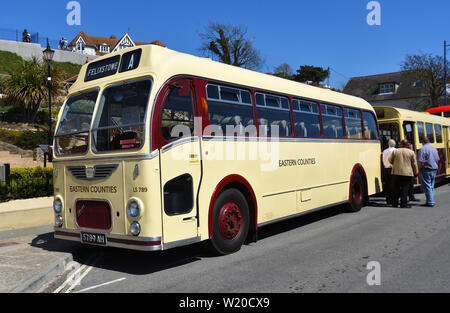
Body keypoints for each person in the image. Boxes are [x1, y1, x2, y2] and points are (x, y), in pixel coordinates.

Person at [388, 139, 418, 208]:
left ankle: (394, 203)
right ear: (407, 145)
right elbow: (414, 164)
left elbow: (390, 160)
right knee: (405, 188)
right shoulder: (411, 152)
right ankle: (403, 203)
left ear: (400, 144)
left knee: (396, 188)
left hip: (396, 172)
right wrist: (416, 173)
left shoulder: (395, 151)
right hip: (407, 173)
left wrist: (395, 164)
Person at [417, 137, 440, 207]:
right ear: (429, 142)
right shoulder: (434, 149)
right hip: (434, 169)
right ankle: (429, 200)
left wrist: (419, 169)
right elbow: (437, 159)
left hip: (426, 169)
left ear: (422, 142)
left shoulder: (422, 149)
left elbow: (421, 161)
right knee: (431, 186)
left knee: (427, 186)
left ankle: (430, 202)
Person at [382, 139, 396, 205]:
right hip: (393, 169)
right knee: (393, 185)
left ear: (388, 144)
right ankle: (393, 200)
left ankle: (388, 200)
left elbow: (383, 160)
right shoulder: (395, 151)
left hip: (386, 169)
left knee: (387, 185)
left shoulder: (384, 151)